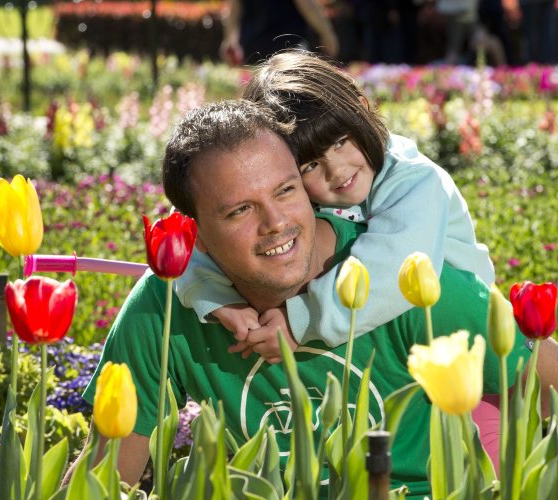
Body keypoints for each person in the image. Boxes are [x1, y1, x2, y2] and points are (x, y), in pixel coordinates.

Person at [72, 100, 558, 500]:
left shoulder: (403, 280)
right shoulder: (164, 312)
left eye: (285, 191)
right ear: (198, 237)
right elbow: (106, 473)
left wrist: (486, 415)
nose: (276, 222)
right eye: (240, 210)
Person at [177, 51, 496, 366]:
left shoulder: (417, 183)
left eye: (341, 141)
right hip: (386, 348)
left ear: (362, 109)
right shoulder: (294, 194)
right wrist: (215, 297)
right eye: (311, 164)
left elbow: (392, 274)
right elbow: (196, 237)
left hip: (465, 341)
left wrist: (298, 320)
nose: (337, 170)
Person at [219, 0, 339, 66]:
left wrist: (229, 39)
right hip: (289, 48)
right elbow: (306, 5)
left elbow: (234, 8)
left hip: (253, 52)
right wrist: (327, 33)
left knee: (257, 103)